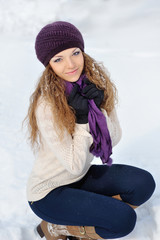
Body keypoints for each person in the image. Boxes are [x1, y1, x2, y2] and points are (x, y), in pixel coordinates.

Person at [25, 21, 155, 240]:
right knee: (123, 220)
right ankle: (56, 227)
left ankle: (89, 212)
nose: (70, 64)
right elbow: (74, 165)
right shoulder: (47, 105)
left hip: (80, 180)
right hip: (49, 193)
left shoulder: (92, 85)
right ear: (49, 65)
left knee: (143, 184)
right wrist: (83, 120)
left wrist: (101, 109)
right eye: (58, 59)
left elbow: (114, 139)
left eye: (75, 53)